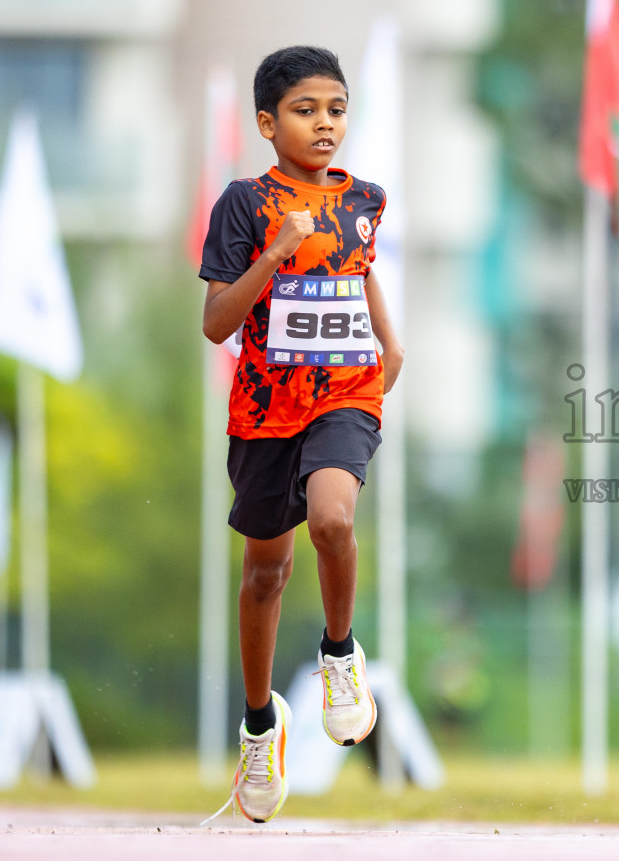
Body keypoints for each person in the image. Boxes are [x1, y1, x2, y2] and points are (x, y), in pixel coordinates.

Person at [199, 45, 404, 823]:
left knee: (334, 518)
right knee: (264, 574)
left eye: (337, 109)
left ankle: (340, 653)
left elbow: (358, 267)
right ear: (266, 122)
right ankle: (259, 726)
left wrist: (392, 340)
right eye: (305, 110)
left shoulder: (365, 199)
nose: (325, 124)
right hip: (264, 409)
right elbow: (218, 323)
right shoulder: (245, 204)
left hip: (345, 394)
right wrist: (274, 254)